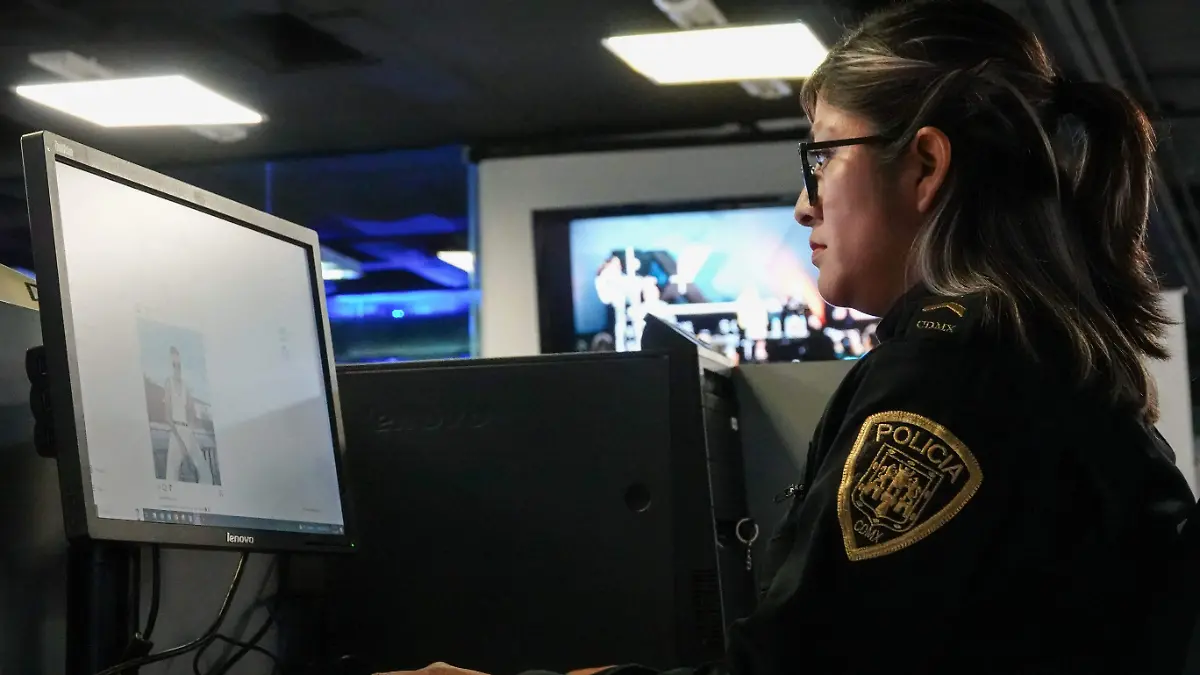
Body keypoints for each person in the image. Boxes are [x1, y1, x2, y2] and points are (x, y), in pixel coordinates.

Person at [379, 1, 1197, 673]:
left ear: (924, 166)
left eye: (822, 158)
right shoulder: (1038, 361)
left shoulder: (946, 384)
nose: (804, 204)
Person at [162, 346, 214, 485]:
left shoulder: (186, 385)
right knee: (171, 476)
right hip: (175, 432)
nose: (177, 368)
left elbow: (191, 410)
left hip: (187, 431)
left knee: (205, 472)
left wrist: (190, 430)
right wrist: (181, 443)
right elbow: (167, 416)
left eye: (179, 364)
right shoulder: (169, 383)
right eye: (174, 365)